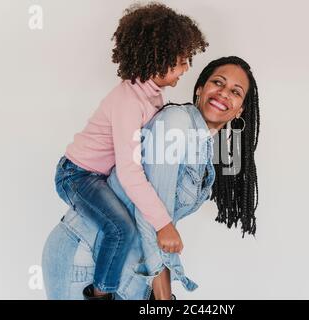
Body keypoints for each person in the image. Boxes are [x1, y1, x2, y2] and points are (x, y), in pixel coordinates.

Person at [43, 56, 260, 300]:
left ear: (240, 109)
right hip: (84, 259)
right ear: (200, 88)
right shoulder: (176, 123)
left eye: (235, 91)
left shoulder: (203, 145)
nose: (223, 93)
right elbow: (153, 220)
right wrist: (164, 299)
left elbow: (163, 222)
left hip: (126, 271)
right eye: (218, 82)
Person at [53, 3, 207, 300]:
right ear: (157, 60)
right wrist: (163, 224)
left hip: (97, 175)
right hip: (77, 175)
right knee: (120, 228)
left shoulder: (153, 96)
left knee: (126, 225)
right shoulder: (128, 101)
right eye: (181, 61)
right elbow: (130, 171)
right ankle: (101, 295)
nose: (186, 68)